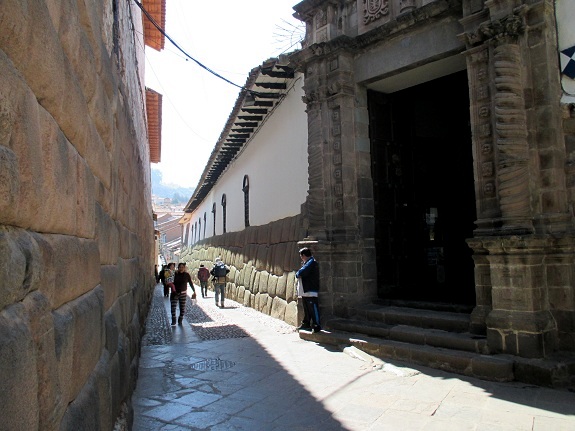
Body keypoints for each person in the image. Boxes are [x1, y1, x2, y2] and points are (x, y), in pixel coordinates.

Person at [295, 247, 321, 333]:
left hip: (310, 289)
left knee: (313, 308)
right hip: (306, 290)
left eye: (301, 256)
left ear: (303, 255)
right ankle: (306, 323)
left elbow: (302, 272)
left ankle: (316, 325)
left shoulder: (311, 262)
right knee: (307, 309)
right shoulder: (307, 262)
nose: (301, 258)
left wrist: (298, 273)